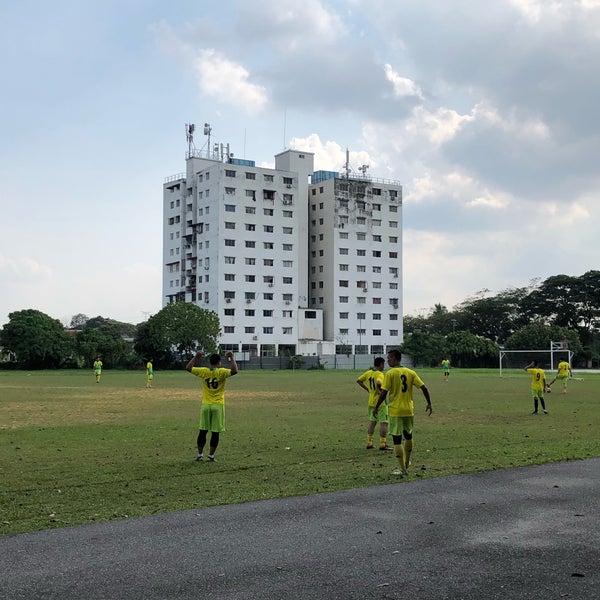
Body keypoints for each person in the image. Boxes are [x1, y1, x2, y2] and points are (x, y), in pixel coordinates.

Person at [373, 349, 432, 477]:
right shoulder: (411, 372)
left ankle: (402, 469)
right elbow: (424, 387)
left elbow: (383, 392)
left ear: (394, 358)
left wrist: (376, 406)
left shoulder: (390, 373)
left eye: (389, 358)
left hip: (395, 410)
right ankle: (406, 463)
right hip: (408, 410)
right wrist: (429, 403)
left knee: (397, 439)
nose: (387, 360)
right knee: (408, 436)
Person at [186, 349, 238, 462]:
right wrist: (232, 357)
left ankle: (200, 455)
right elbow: (234, 371)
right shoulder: (222, 372)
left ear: (210, 362)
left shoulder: (204, 371)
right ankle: (211, 456)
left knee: (203, 431)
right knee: (215, 432)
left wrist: (196, 357)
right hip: (218, 405)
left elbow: (188, 368)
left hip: (206, 405)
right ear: (219, 362)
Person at [356, 357, 392, 451]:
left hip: (371, 401)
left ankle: (369, 442)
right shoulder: (379, 374)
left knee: (372, 422)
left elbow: (359, 380)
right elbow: (379, 382)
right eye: (383, 365)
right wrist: (380, 390)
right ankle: (383, 444)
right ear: (380, 365)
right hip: (380, 403)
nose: (384, 367)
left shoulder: (369, 373)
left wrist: (367, 389)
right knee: (384, 423)